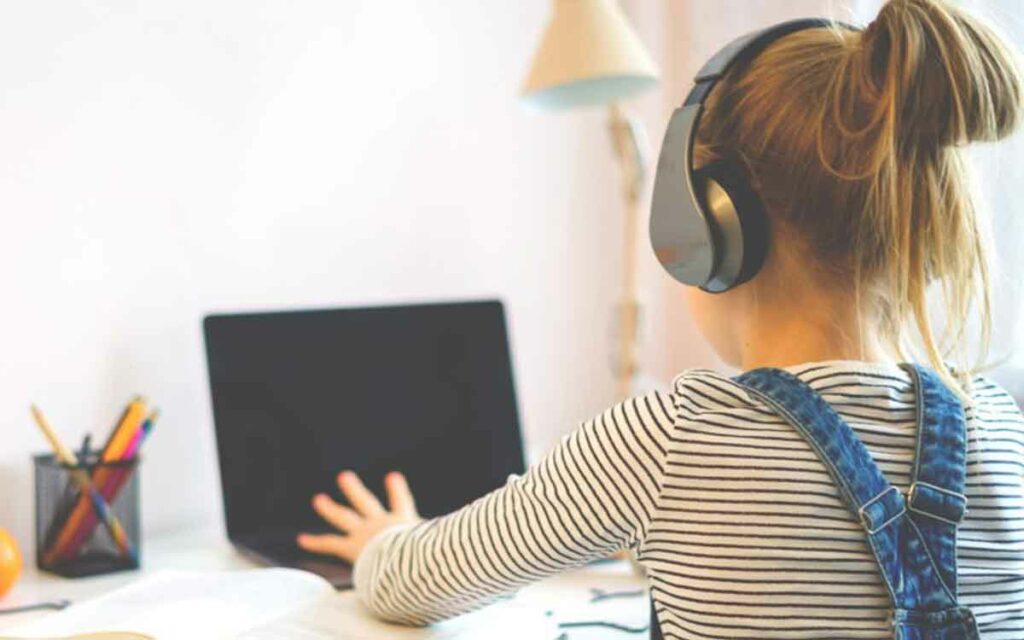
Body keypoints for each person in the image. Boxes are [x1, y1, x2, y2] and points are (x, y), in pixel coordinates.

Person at [297, 0, 1024, 636]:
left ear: (707, 225)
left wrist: (384, 541)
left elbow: (417, 584)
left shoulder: (672, 435)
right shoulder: (1002, 426)